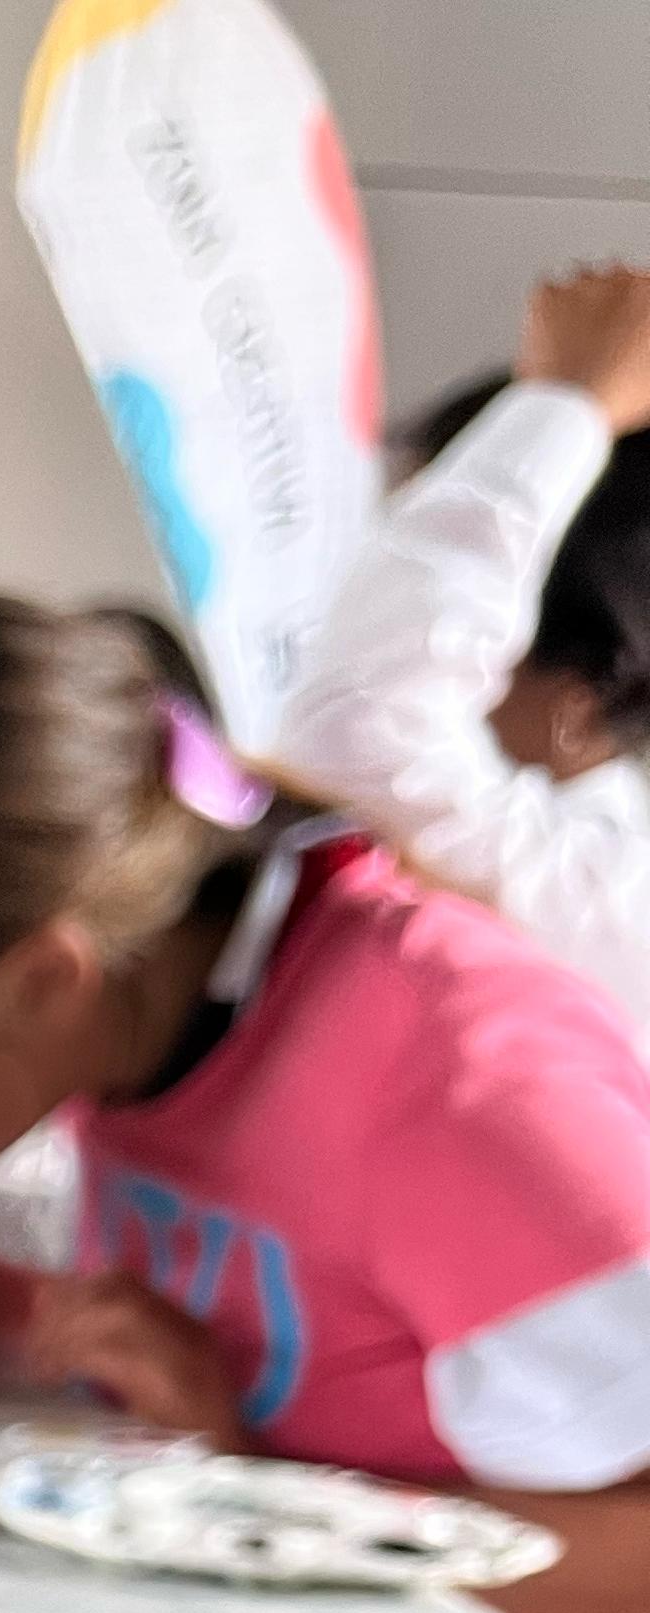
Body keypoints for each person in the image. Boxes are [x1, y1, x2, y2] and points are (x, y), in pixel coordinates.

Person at [0, 576, 650, 1613]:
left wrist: (265, 1504)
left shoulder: (455, 1084)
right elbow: (266, 1344)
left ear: (39, 981)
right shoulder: (142, 1014)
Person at [277, 262, 650, 1047]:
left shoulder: (607, 905)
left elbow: (367, 727)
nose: (364, 621)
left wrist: (567, 409)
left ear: (577, 711)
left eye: (490, 635)